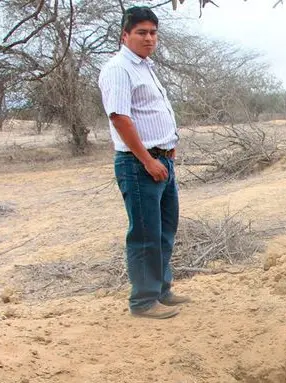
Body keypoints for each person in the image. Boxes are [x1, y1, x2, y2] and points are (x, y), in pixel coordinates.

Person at [98, 6, 190, 319]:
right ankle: (143, 301)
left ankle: (161, 291)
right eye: (141, 33)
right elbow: (120, 118)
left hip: (161, 161)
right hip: (139, 164)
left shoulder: (144, 67)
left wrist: (167, 148)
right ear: (125, 35)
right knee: (145, 234)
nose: (149, 38)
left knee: (164, 230)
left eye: (153, 33)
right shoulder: (118, 69)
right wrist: (148, 159)